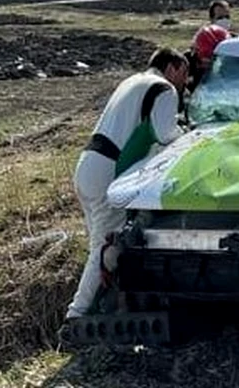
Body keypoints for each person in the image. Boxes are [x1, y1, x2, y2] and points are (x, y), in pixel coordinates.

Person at [64, 47, 189, 322]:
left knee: (98, 245)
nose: (185, 82)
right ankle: (77, 314)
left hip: (87, 164)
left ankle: (103, 303)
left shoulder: (132, 81)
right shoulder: (164, 88)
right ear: (173, 67)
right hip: (109, 171)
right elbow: (166, 134)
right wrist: (190, 134)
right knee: (103, 247)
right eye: (184, 74)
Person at [189, 0, 234, 91]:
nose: (224, 20)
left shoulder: (235, 42)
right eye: (220, 18)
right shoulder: (201, 43)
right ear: (212, 19)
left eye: (227, 17)